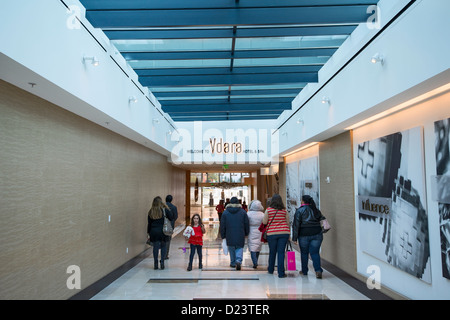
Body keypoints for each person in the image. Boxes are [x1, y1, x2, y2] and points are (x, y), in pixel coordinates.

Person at [292, 195, 325, 279]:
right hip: (317, 234)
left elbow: (296, 225)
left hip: (304, 234)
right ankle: (318, 270)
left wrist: (294, 238)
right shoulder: (316, 210)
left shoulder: (299, 210)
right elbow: (322, 221)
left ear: (303, 201)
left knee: (304, 253)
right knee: (315, 253)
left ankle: (304, 270)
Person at [263, 194, 290, 278]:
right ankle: (281, 273)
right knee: (281, 252)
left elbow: (264, 222)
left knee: (272, 251)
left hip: (272, 233)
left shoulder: (268, 210)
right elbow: (288, 222)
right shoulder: (284, 211)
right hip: (284, 233)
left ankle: (270, 269)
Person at [220, 197, 249, 270]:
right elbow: (246, 223)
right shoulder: (243, 212)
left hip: (229, 234)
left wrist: (223, 235)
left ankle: (233, 262)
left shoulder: (225, 212)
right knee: (239, 247)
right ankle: (238, 261)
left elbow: (222, 225)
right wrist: (246, 232)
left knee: (231, 247)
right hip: (240, 233)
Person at [147, 196, 174, 270]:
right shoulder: (164, 210)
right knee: (163, 246)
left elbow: (149, 223)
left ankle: (155, 263)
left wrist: (148, 232)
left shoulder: (151, 211)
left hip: (154, 231)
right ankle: (162, 262)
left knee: (155, 247)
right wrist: (166, 208)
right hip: (163, 231)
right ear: (161, 202)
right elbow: (171, 217)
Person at [246, 200, 265, 268]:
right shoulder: (262, 214)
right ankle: (256, 260)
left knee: (252, 247)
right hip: (260, 231)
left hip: (251, 231)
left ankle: (254, 261)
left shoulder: (248, 214)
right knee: (258, 246)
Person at [164, 195, 178, 260]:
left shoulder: (162, 207)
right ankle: (165, 254)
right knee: (168, 240)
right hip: (170, 226)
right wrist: (172, 221)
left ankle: (162, 253)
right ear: (171, 200)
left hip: (162, 226)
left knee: (162, 240)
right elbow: (175, 217)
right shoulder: (174, 207)